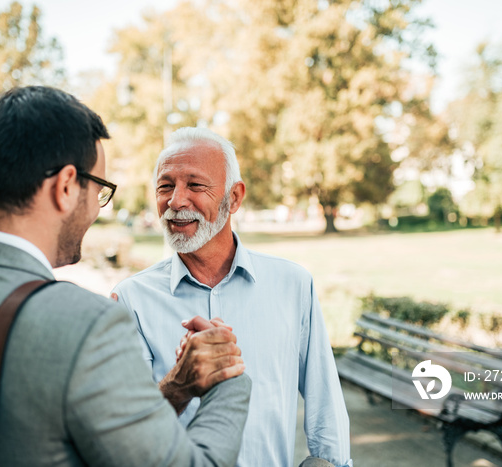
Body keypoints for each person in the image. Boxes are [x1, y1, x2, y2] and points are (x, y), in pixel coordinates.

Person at [0, 87, 251, 467]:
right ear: (65, 186)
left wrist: (177, 386)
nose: (97, 210)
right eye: (100, 190)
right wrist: (229, 379)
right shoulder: (87, 324)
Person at [110, 127, 352, 467]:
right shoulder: (131, 299)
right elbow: (123, 434)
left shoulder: (292, 284)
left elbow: (324, 404)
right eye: (166, 186)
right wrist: (179, 384)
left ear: (234, 197)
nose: (176, 201)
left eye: (195, 185)